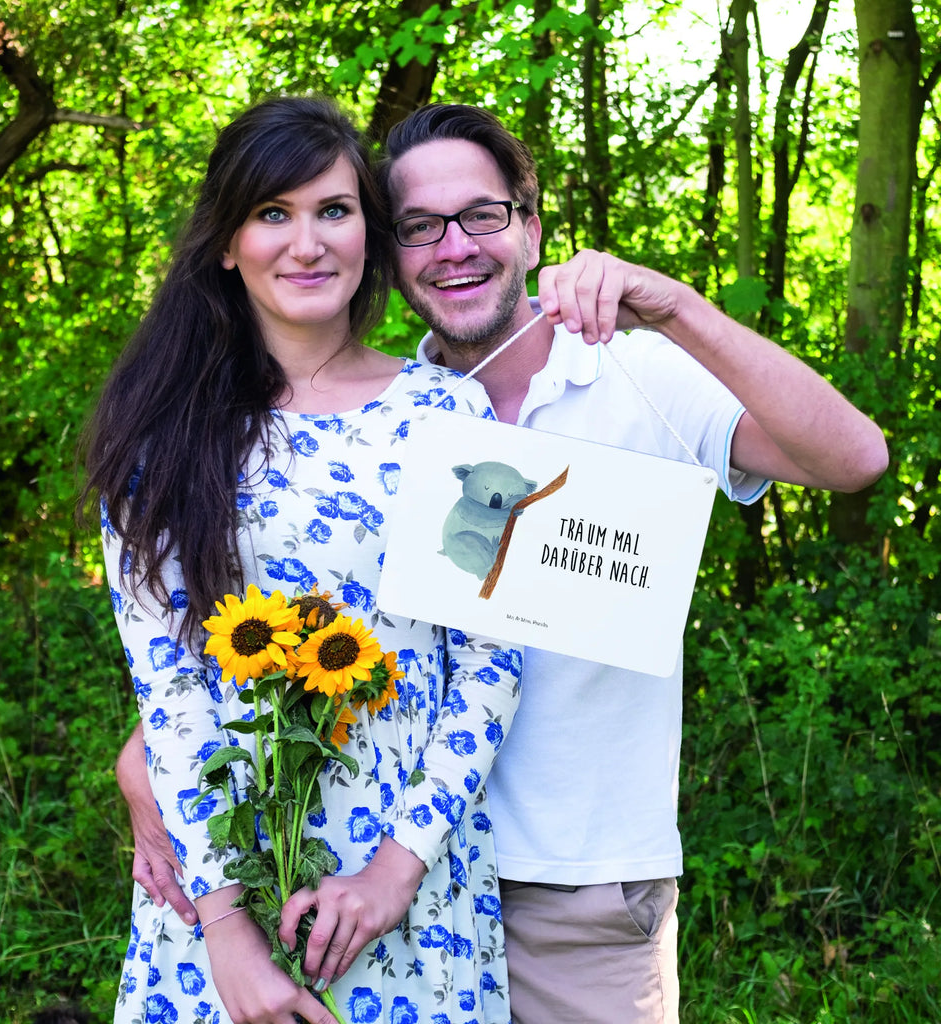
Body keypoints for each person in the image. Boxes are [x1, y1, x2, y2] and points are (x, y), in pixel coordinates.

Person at [118, 102, 889, 1024]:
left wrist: (676, 306)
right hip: (337, 875)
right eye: (419, 227)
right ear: (392, 252)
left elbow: (855, 461)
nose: (453, 247)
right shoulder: (381, 415)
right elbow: (245, 632)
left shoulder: (627, 373)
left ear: (529, 226)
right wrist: (153, 769)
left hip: (569, 888)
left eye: (481, 215)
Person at [81, 96, 525, 1024]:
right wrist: (228, 936)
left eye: (334, 210)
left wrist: (395, 872)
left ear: (369, 229)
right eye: (272, 214)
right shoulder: (162, 437)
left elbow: (492, 660)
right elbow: (170, 691)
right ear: (226, 244)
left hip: (410, 888)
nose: (307, 242)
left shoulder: (450, 415)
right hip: (220, 887)